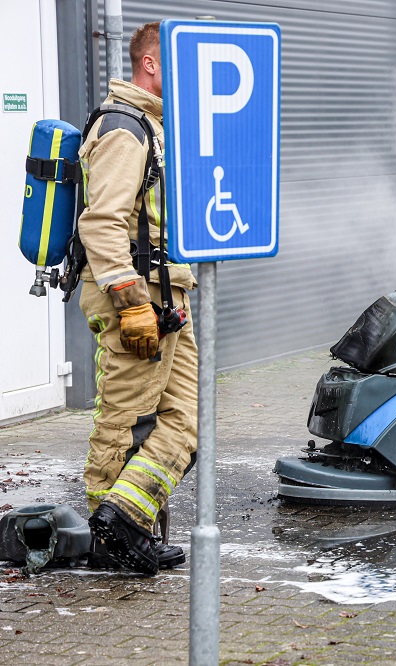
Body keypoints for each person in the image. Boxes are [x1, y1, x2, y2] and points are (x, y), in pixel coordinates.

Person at [77, 21, 198, 575]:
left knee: (184, 422)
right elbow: (100, 225)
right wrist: (131, 302)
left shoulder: (154, 127)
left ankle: (125, 523)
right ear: (151, 64)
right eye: (179, 65)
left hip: (168, 294)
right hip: (137, 297)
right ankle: (109, 546)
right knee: (125, 421)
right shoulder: (124, 129)